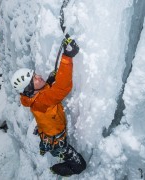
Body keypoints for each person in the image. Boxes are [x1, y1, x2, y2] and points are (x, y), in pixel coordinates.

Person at [11, 37, 86, 176]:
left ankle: (47, 148)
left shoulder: (32, 97)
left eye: (35, 74)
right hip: (57, 143)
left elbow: (45, 94)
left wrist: (49, 82)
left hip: (49, 135)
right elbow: (62, 89)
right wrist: (67, 57)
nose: (39, 76)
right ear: (29, 89)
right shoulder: (41, 101)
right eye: (34, 79)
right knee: (80, 165)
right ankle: (56, 169)